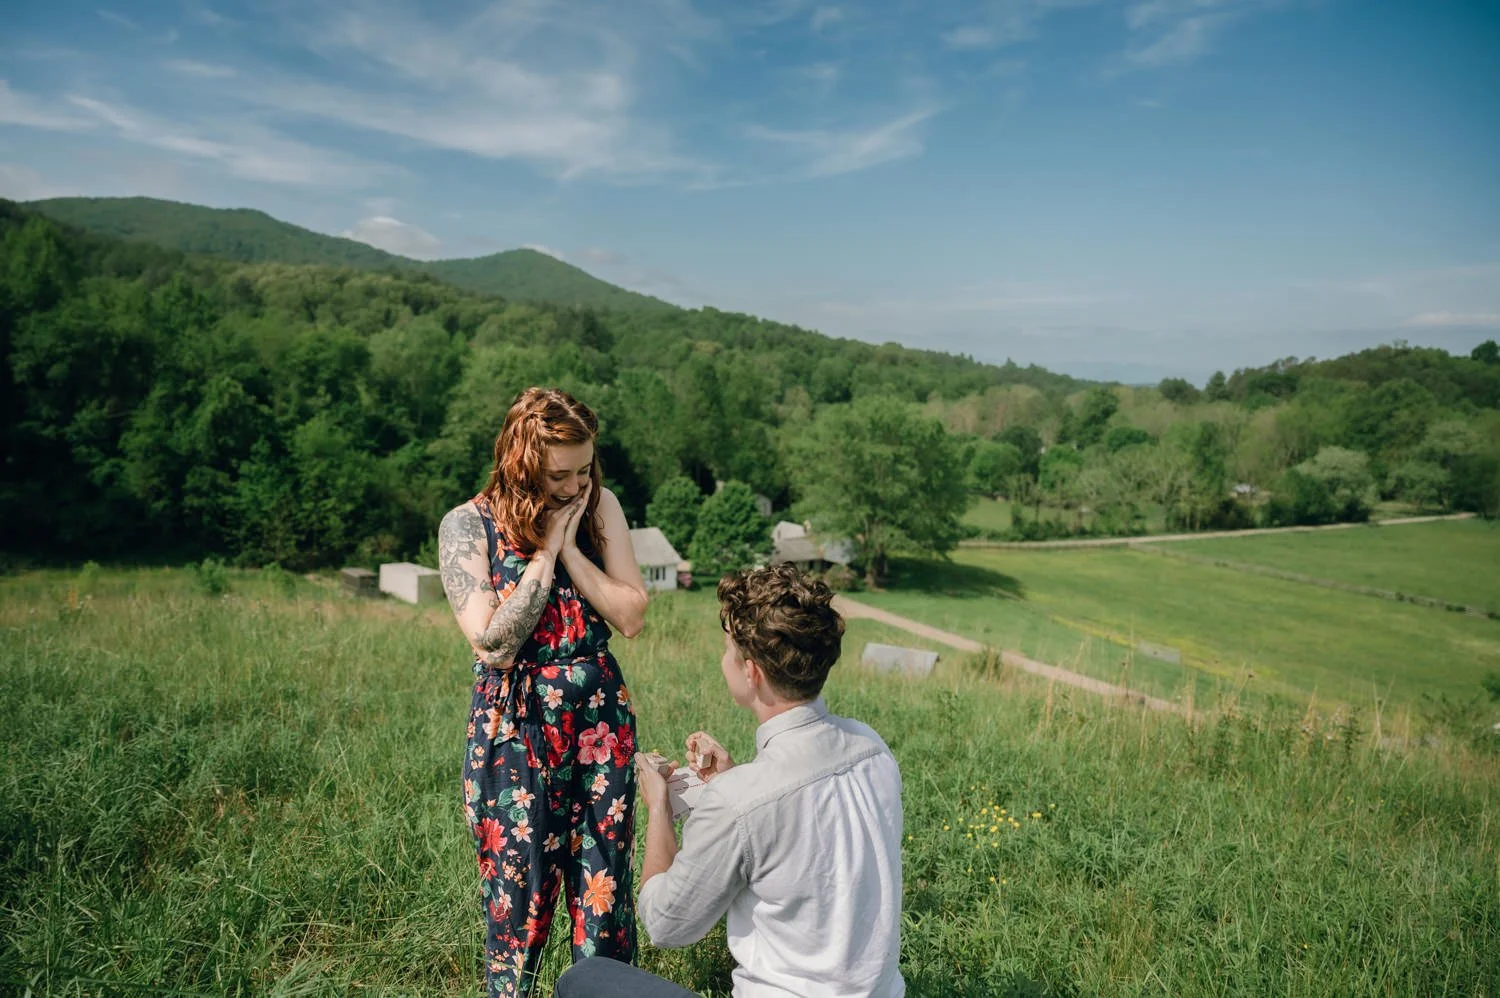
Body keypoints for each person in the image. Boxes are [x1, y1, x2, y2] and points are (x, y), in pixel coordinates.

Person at [555, 563, 906, 998]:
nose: (724, 660)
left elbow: (665, 924)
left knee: (583, 978)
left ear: (752, 672)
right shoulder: (872, 748)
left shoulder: (740, 800)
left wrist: (659, 809)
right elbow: (811, 841)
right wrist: (735, 779)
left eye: (728, 651)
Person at [438, 386, 650, 998]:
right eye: (560, 474)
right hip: (517, 726)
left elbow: (631, 615)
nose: (576, 485)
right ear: (521, 462)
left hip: (600, 724)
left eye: (585, 469)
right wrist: (546, 552)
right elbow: (495, 645)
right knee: (518, 895)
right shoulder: (467, 525)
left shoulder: (599, 505)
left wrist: (573, 551)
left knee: (604, 891)